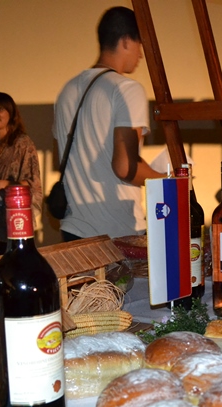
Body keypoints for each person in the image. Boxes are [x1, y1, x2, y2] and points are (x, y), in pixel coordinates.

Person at [53, 6, 164, 242]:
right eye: (139, 44)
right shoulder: (127, 89)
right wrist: (167, 180)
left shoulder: (67, 90)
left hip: (74, 229)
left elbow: (60, 157)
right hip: (116, 231)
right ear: (125, 41)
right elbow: (125, 167)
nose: (141, 54)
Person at [0, 92, 42, 257]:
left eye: (0, 109)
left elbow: (33, 183)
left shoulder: (22, 143)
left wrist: (2, 184)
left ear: (11, 113)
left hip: (13, 225)